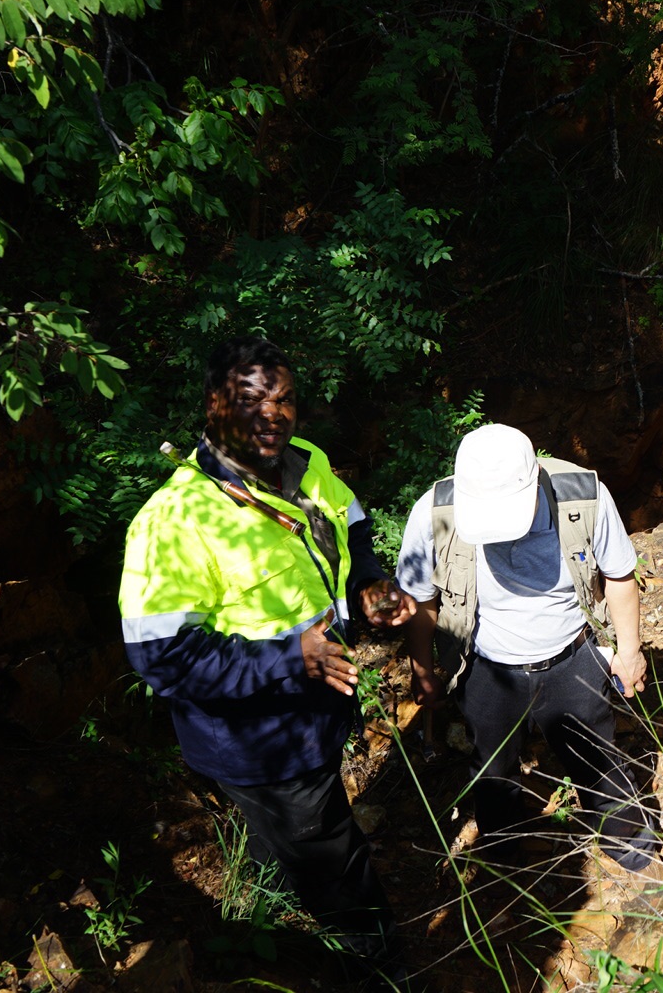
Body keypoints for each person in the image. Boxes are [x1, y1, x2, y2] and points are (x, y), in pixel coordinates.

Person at [118, 337, 416, 979]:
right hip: (258, 738)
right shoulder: (174, 520)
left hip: (319, 699)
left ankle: (268, 899)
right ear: (213, 406)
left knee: (286, 835)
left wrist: (367, 581)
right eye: (251, 399)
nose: (272, 414)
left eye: (283, 399)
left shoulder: (306, 461)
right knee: (331, 853)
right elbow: (161, 658)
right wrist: (290, 657)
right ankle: (379, 962)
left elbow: (351, 523)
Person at [396, 424, 659, 872]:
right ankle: (502, 852)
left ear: (535, 477)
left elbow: (619, 576)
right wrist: (424, 669)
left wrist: (629, 651)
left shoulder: (584, 496)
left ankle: (628, 840)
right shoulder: (435, 512)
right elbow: (419, 600)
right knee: (493, 769)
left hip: (571, 657)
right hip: (486, 668)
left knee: (596, 756)